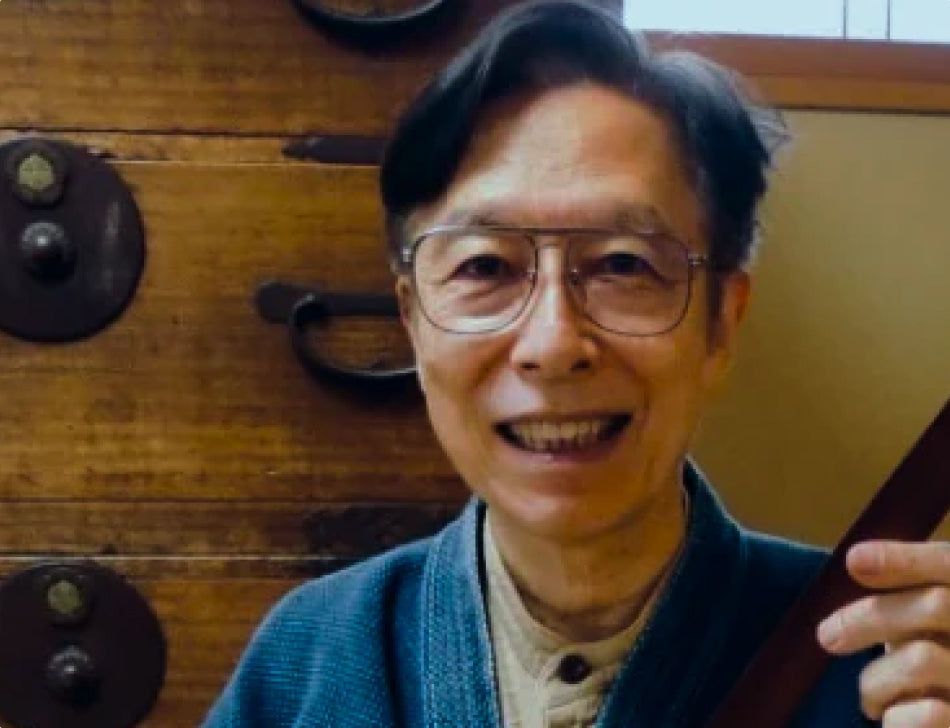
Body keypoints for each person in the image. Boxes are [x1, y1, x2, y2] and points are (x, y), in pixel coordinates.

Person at [202, 2, 950, 726]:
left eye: (623, 264)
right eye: (485, 267)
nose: (553, 343)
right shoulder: (309, 661)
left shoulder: (879, 663)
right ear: (413, 318)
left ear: (723, 321)